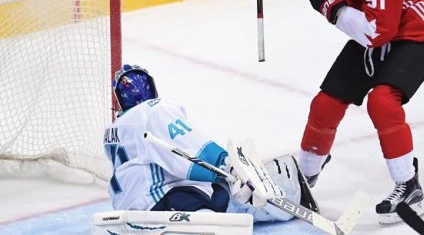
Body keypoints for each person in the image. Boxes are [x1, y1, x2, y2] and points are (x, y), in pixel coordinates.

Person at [244, 0, 424, 223]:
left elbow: (377, 34)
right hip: (377, 33)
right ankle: (306, 178)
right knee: (325, 104)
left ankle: (408, 186)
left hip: (414, 37)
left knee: (382, 102)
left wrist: (333, 8)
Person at [103, 63, 316, 222]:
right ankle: (290, 188)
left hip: (126, 209)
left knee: (223, 190)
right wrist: (227, 164)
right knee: (232, 195)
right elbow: (189, 144)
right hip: (158, 203)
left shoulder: (112, 130)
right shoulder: (153, 111)